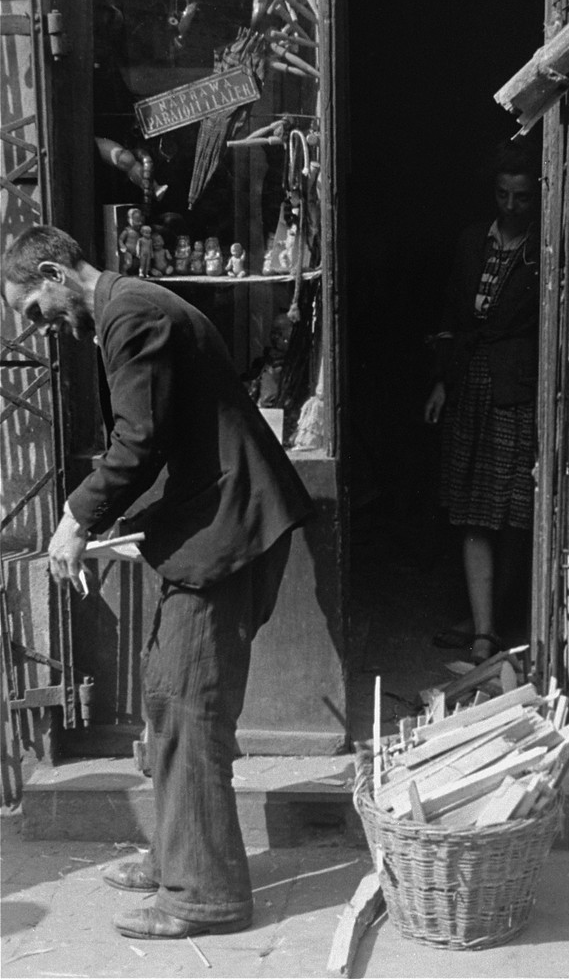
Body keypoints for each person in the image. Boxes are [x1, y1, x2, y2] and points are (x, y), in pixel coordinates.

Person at [2, 225, 314, 940]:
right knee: (167, 695)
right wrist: (123, 525)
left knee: (185, 705)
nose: (43, 329)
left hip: (231, 533)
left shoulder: (131, 315)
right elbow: (169, 437)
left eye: (36, 311)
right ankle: (180, 852)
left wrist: (76, 519)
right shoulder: (132, 309)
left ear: (54, 273)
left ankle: (204, 893)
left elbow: (139, 440)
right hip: (216, 527)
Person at [424, 145, 540, 664]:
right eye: (503, 195)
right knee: (475, 510)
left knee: (513, 515)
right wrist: (441, 383)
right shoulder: (473, 241)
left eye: (521, 196)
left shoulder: (542, 250)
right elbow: (451, 314)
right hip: (469, 384)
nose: (511, 205)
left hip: (515, 392)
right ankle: (485, 631)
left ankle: (491, 618)